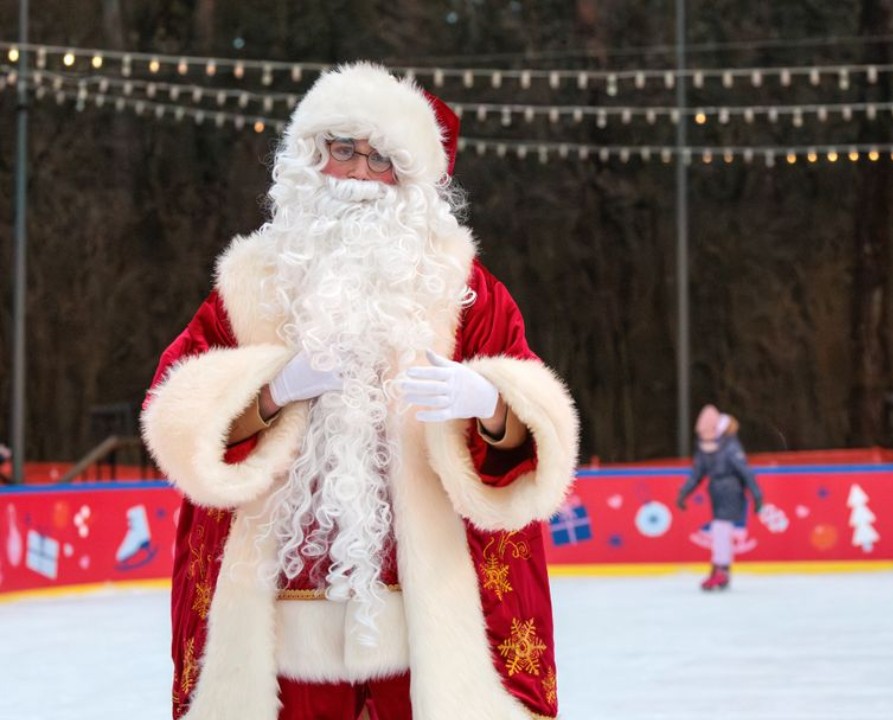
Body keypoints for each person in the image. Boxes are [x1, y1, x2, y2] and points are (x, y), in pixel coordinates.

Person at [141, 61, 579, 720]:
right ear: (310, 160)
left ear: (413, 183)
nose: (359, 176)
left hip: (428, 620)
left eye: (382, 160)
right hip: (277, 625)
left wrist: (488, 401)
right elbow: (174, 415)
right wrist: (272, 391)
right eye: (344, 151)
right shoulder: (251, 286)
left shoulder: (465, 292)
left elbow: (535, 437)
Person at [675, 404, 762, 591]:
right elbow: (697, 473)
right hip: (716, 491)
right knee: (719, 529)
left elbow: (745, 471)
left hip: (731, 491)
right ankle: (720, 569)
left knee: (721, 528)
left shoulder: (730, 447)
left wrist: (756, 495)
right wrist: (684, 493)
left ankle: (721, 570)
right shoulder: (707, 448)